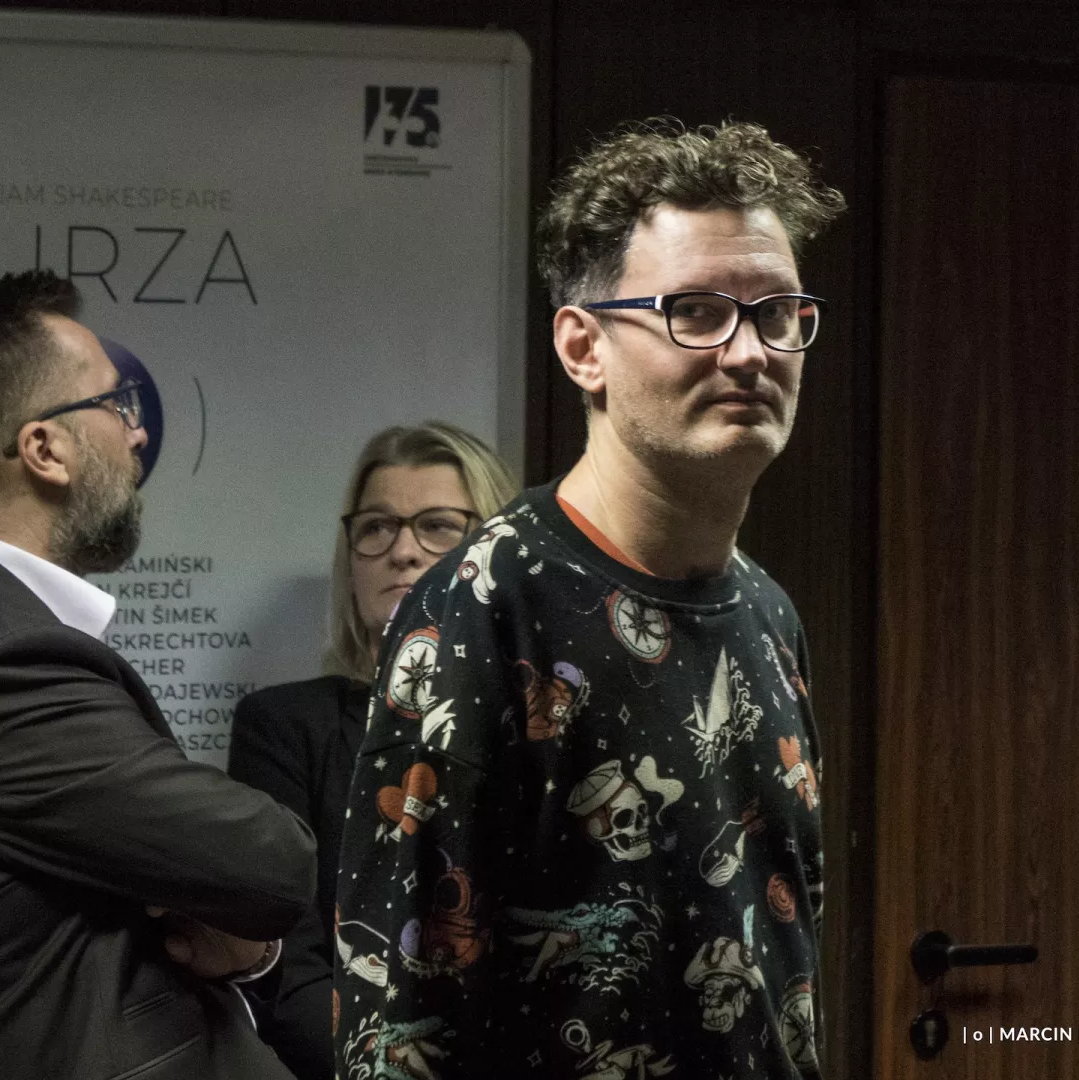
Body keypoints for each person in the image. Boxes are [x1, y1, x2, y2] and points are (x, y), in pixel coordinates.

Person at [333, 119, 845, 1079]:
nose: (750, 352)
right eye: (698, 312)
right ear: (583, 348)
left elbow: (787, 964)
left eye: (778, 313)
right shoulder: (481, 610)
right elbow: (402, 1029)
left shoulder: (768, 611)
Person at [0, 271, 316, 1080]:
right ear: (44, 450)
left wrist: (224, 922)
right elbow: (272, 863)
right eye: (116, 405)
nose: (139, 434)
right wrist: (228, 913)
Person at [228, 422, 517, 1080]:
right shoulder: (284, 726)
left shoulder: (546, 724)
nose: (402, 551)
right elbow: (288, 968)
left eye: (438, 526)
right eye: (377, 527)